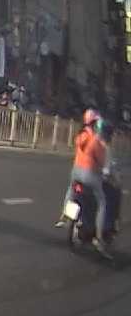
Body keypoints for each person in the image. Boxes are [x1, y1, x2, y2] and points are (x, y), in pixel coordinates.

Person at [55, 109, 113, 256]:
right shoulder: (95, 140)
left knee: (71, 190)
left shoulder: (81, 135)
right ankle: (98, 236)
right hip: (90, 175)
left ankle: (65, 216)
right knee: (102, 203)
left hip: (76, 172)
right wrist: (105, 171)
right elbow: (101, 162)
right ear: (94, 123)